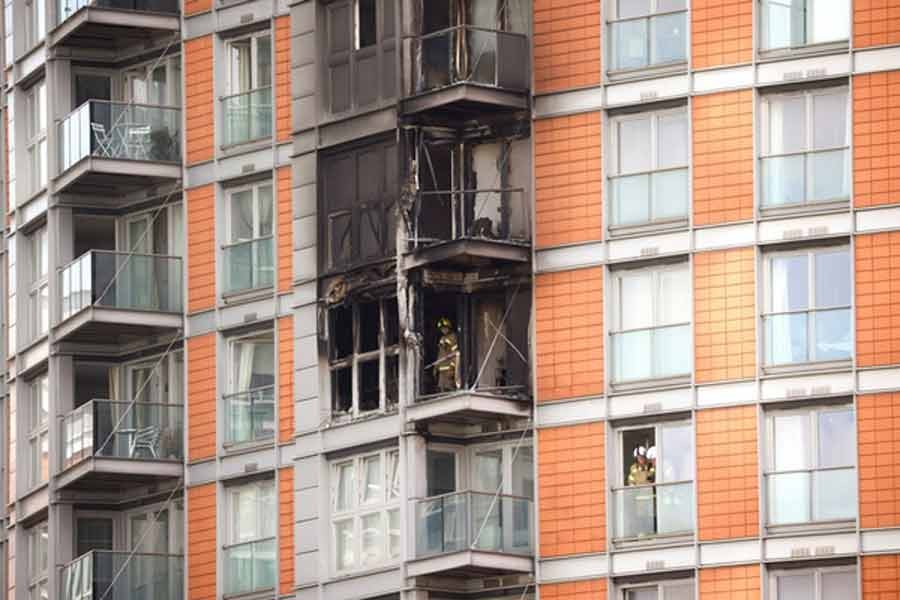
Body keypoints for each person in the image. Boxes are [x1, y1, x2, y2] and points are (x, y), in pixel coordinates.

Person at [434, 317, 460, 392]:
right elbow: (440, 353)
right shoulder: (442, 338)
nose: (443, 330)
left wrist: (452, 368)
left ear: (449, 327)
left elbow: (455, 353)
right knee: (441, 389)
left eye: (445, 328)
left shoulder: (453, 337)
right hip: (441, 370)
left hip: (449, 369)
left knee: (449, 389)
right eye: (442, 329)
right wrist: (436, 367)